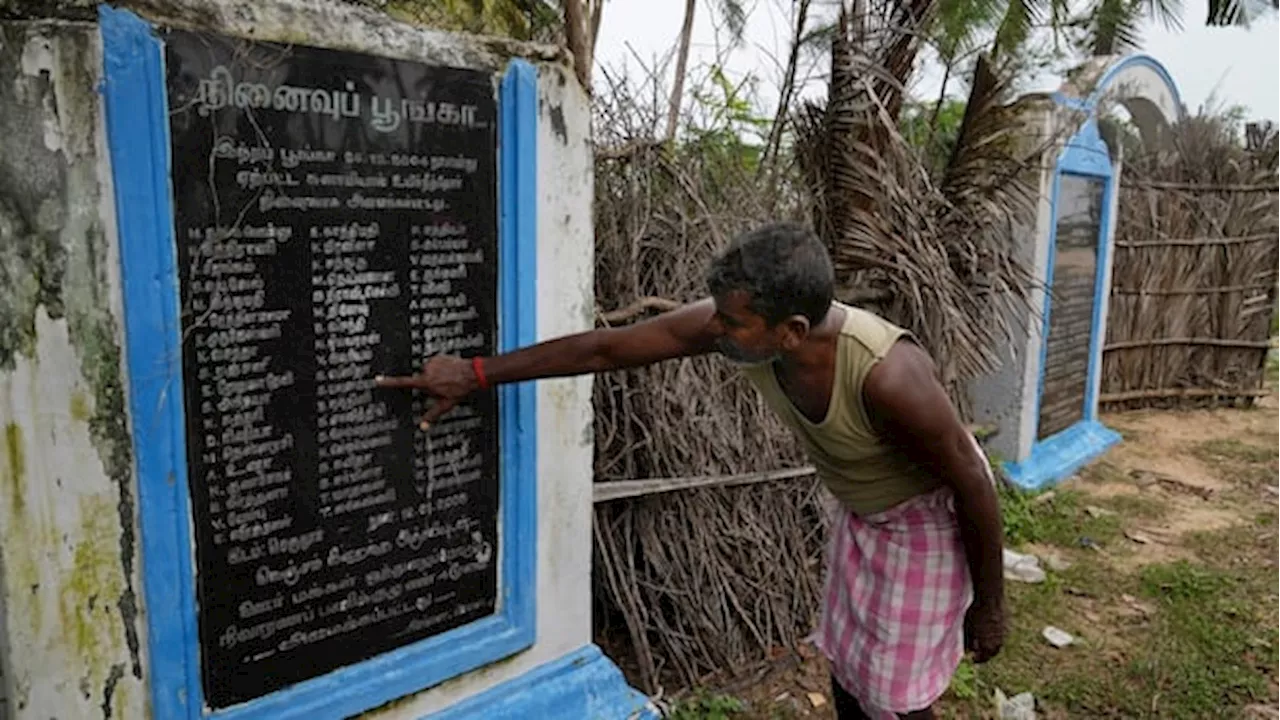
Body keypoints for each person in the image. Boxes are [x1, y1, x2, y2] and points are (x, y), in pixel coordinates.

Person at [375, 221, 1005, 720]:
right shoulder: (749, 326)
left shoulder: (888, 376)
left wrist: (990, 607)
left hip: (927, 519)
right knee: (849, 668)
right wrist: (477, 374)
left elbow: (972, 482)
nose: (717, 330)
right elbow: (606, 348)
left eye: (733, 323)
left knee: (896, 694)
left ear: (791, 331)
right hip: (864, 512)